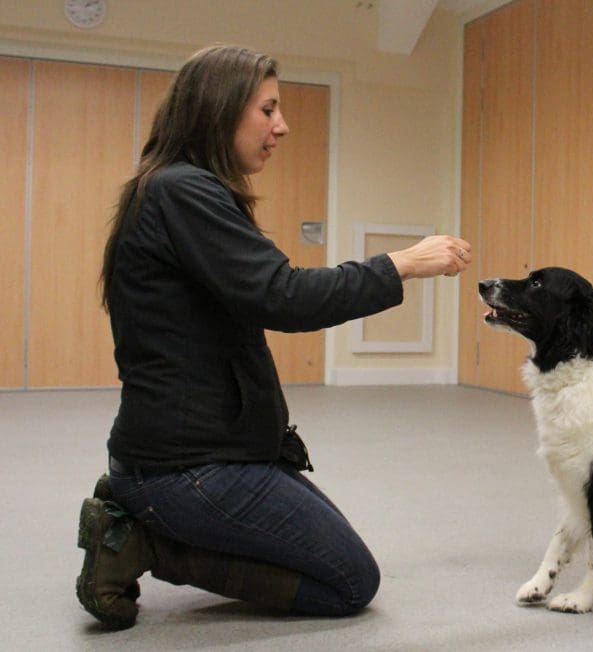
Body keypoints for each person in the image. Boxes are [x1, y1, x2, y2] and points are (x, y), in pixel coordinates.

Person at [75, 44, 473, 630]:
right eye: (267, 110)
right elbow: (283, 295)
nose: (280, 126)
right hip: (185, 467)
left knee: (334, 560)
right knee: (349, 583)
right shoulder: (181, 191)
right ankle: (144, 543)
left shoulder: (178, 188)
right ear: (220, 109)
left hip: (200, 455)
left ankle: (147, 516)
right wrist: (402, 264)